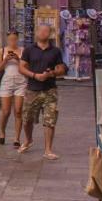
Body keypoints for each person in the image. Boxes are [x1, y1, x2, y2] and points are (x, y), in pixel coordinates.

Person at [19, 24, 67, 160]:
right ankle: (28, 140)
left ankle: (48, 150)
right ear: (37, 33)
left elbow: (61, 68)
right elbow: (21, 68)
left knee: (50, 120)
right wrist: (34, 75)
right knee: (27, 119)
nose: (43, 33)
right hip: (32, 89)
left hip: (50, 90)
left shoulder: (55, 51)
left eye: (46, 31)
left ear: (50, 33)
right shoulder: (29, 50)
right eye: (41, 30)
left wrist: (53, 73)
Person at [0, 32, 26, 148]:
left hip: (20, 82)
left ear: (17, 39)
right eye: (10, 39)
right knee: (5, 111)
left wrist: (18, 59)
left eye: (14, 39)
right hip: (7, 82)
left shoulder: (23, 50)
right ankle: (2, 132)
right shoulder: (2, 51)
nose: (12, 41)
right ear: (7, 39)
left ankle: (17, 138)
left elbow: (26, 67)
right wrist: (5, 60)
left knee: (18, 111)